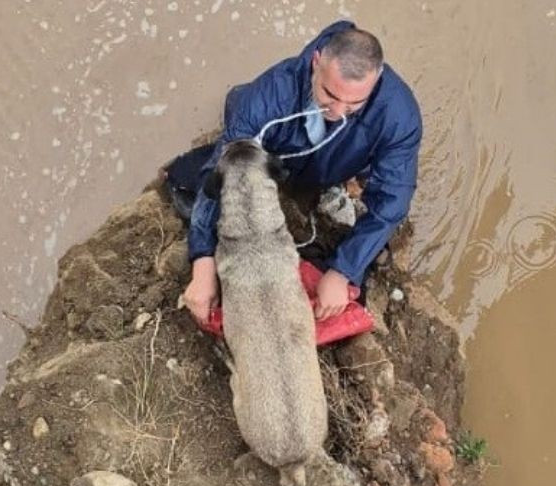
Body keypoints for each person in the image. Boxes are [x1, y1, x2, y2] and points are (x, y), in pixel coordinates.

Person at [180, 20, 422, 326]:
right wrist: (202, 262)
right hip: (277, 156)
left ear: (376, 81)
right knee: (203, 170)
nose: (338, 112)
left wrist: (342, 271)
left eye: (355, 103)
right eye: (330, 95)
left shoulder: (399, 115)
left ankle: (341, 182)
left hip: (341, 161)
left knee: (369, 199)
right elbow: (224, 169)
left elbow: (393, 201)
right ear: (316, 62)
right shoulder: (271, 94)